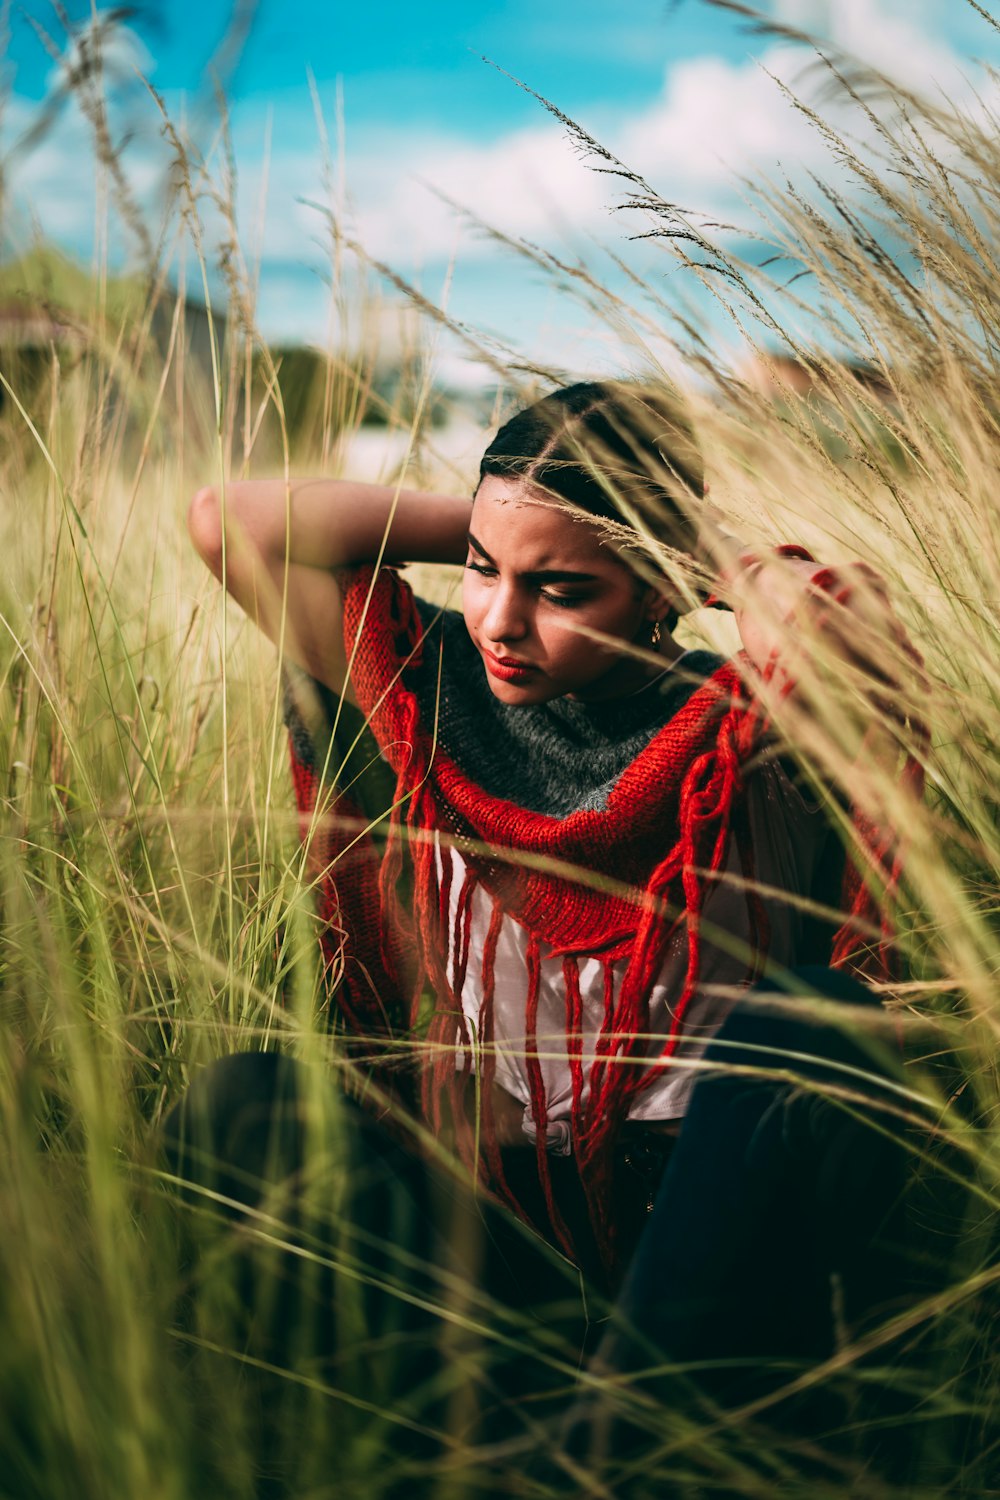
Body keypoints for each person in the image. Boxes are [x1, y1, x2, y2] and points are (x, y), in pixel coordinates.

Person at [173, 380, 935, 1489]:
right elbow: (226, 522)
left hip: (708, 1219)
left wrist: (678, 535)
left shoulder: (742, 727)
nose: (499, 621)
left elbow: (833, 631)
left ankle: (588, 1449)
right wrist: (505, 516)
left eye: (562, 588)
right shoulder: (423, 684)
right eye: (483, 573)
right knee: (241, 1105)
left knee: (823, 1028)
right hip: (497, 1214)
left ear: (659, 587)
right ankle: (522, 1440)